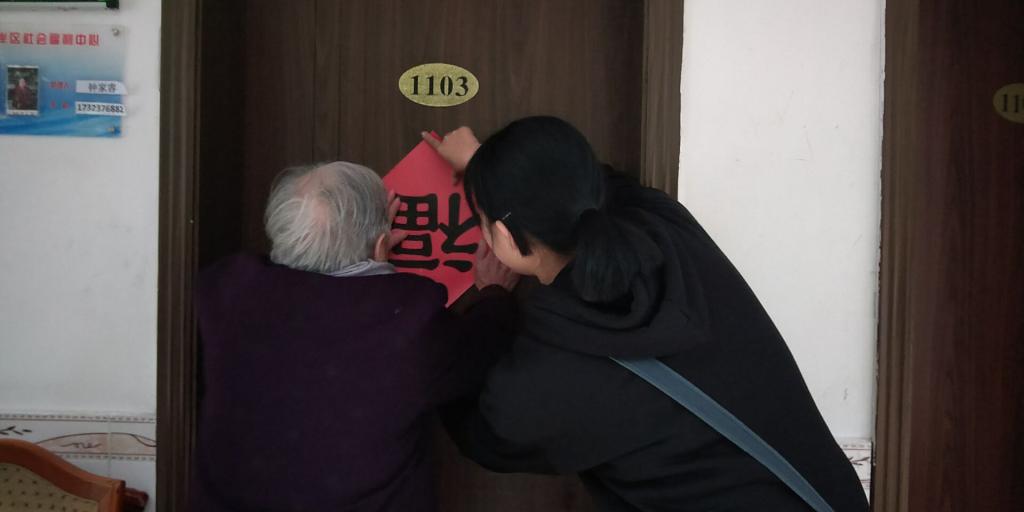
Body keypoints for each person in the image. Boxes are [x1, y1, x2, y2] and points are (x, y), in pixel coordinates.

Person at [425, 117, 870, 511]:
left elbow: (484, 433)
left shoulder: (545, 377)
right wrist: (489, 167)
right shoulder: (666, 226)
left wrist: (490, 301)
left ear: (504, 236)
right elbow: (586, 188)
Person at [190, 162, 519, 511]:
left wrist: (359, 250)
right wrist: (494, 294)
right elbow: (479, 349)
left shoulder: (226, 291)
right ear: (382, 244)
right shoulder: (408, 319)